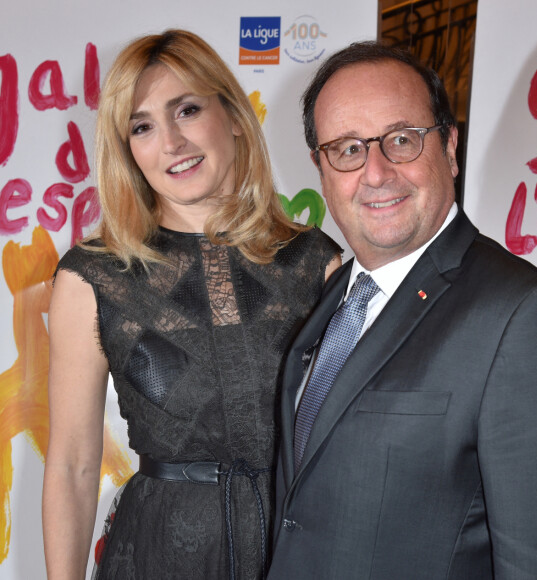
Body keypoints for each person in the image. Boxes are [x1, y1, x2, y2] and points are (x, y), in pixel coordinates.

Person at [267, 41, 537, 580]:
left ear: (450, 148)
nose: (376, 172)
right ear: (321, 168)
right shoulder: (333, 296)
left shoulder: (522, 315)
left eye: (402, 140)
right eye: (346, 149)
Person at [42, 29, 340, 580]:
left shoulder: (315, 264)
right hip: (158, 554)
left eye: (186, 110)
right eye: (143, 126)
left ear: (231, 116)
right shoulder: (93, 276)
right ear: (128, 150)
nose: (171, 142)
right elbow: (72, 465)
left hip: (294, 549)